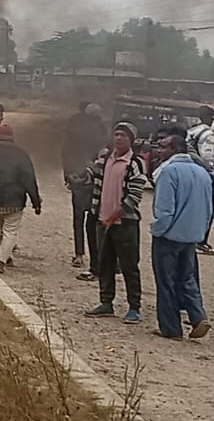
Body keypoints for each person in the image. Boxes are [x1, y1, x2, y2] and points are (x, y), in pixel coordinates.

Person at [149, 133, 214, 340]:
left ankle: (171, 329)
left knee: (166, 281)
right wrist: (200, 232)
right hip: (192, 236)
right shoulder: (202, 172)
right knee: (187, 279)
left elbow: (165, 209)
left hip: (169, 236)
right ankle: (197, 316)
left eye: (163, 147)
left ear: (175, 149)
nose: (159, 151)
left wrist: (157, 230)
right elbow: (208, 208)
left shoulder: (168, 172)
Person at [85, 122, 148, 324]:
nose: (119, 138)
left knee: (129, 266)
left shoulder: (135, 163)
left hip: (125, 223)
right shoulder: (104, 160)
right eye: (116, 134)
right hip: (103, 222)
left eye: (124, 135)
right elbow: (94, 182)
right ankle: (106, 303)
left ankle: (134, 307)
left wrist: (115, 215)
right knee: (105, 264)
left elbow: (134, 196)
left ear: (131, 140)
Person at [0, 124, 41, 273]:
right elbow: (29, 179)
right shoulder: (21, 154)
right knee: (10, 230)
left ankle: (5, 255)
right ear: (12, 138)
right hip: (16, 199)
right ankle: (1, 261)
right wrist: (36, 202)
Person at [61, 102, 106, 278]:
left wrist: (67, 174)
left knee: (82, 217)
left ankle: (82, 254)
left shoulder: (80, 128)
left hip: (84, 177)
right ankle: (85, 255)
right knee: (91, 218)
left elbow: (65, 152)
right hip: (86, 177)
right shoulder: (94, 129)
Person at [186, 107, 214, 255]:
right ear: (210, 118)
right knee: (208, 208)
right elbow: (207, 156)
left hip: (191, 172)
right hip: (204, 174)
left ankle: (189, 238)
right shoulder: (207, 133)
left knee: (193, 206)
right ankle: (201, 241)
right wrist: (213, 172)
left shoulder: (192, 131)